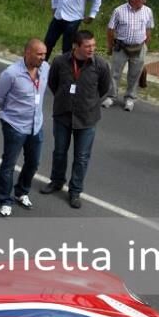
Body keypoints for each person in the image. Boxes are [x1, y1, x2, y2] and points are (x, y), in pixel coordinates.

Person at [42, 30, 112, 209]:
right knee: (59, 151)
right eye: (88, 46)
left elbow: (104, 88)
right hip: (63, 115)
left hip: (87, 118)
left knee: (81, 157)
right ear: (76, 46)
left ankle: (75, 191)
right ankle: (57, 181)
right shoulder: (60, 62)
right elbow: (53, 84)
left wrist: (89, 102)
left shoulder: (101, 65)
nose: (92, 49)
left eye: (94, 46)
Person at [0, 39, 50, 217]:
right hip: (15, 125)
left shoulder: (45, 68)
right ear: (27, 53)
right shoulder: (11, 74)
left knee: (33, 162)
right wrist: (10, 112)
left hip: (36, 124)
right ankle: (5, 200)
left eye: (44, 54)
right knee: (9, 164)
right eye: (39, 54)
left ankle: (21, 192)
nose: (43, 58)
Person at [103, 0, 154, 112]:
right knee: (115, 73)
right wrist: (110, 46)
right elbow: (110, 29)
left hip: (139, 47)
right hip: (121, 47)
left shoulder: (148, 11)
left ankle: (130, 98)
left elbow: (148, 29)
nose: (145, 1)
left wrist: (146, 46)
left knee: (135, 74)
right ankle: (111, 96)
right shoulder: (119, 11)